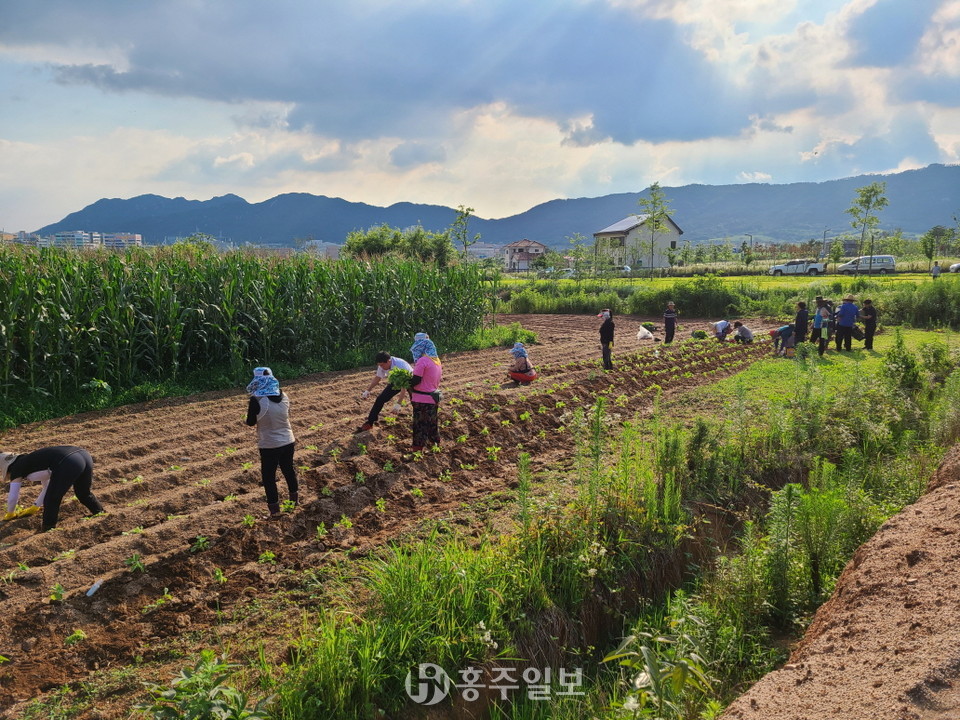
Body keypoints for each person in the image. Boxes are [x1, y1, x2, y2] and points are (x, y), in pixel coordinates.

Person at [1, 446, 104, 531]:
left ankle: (48, 528)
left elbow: (13, 496)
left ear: (8, 468)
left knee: (52, 499)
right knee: (83, 493)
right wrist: (35, 506)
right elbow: (47, 487)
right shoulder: (33, 461)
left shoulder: (16, 469)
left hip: (69, 461)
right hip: (83, 454)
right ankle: (100, 513)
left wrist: (10, 513)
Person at [245, 367, 297, 519]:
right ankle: (294, 502)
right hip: (288, 440)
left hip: (269, 444)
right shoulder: (284, 395)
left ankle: (274, 511)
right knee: (288, 470)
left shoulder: (256, 400)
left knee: (269, 477)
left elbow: (250, 422)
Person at [356, 351, 413, 432]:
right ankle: (370, 423)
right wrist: (367, 390)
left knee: (415, 401)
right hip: (396, 380)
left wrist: (398, 404)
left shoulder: (400, 365)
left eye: (382, 365)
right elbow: (378, 378)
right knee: (380, 399)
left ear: (389, 361)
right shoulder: (382, 365)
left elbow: (403, 387)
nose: (381, 367)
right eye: (379, 365)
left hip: (411, 381)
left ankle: (419, 421)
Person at [409, 332, 443, 452]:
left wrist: (407, 383)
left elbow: (416, 379)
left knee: (419, 426)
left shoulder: (423, 361)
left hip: (422, 399)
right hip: (433, 397)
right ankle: (435, 445)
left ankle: (417, 450)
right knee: (432, 423)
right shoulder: (436, 360)